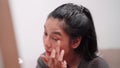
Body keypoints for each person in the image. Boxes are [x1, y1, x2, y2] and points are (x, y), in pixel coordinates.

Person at [36, 3, 109, 68]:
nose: (46, 43)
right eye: (45, 33)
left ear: (75, 42)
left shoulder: (97, 65)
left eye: (55, 38)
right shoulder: (44, 61)